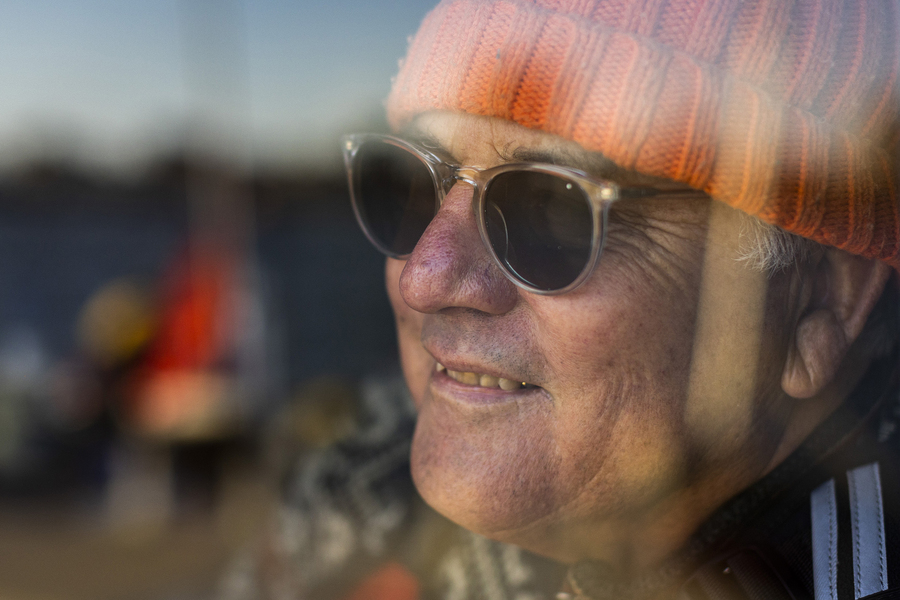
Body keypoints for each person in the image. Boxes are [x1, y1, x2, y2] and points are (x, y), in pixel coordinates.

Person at [222, 1, 900, 598]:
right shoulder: (354, 479)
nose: (422, 278)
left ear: (821, 304)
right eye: (409, 186)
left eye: (551, 211)